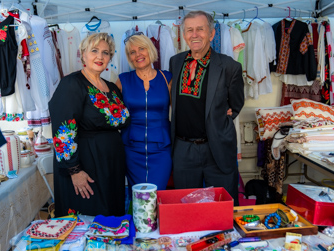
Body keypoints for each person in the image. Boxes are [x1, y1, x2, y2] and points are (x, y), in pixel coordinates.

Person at [49, 33, 130, 217]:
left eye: (106, 52)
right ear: (83, 54)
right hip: (85, 165)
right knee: (88, 220)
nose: (100, 57)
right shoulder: (72, 84)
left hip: (111, 166)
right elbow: (63, 131)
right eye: (94, 51)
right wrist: (74, 170)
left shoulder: (112, 87)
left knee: (111, 219)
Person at [169, 11, 244, 205]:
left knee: (223, 206)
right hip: (183, 149)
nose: (195, 35)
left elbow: (237, 103)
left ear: (211, 34)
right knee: (185, 206)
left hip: (216, 146)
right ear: (184, 35)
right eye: (189, 30)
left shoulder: (229, 66)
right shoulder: (175, 62)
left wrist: (227, 115)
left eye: (200, 29)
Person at [116, 33, 172, 191]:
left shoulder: (167, 78)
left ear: (150, 50)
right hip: (131, 149)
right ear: (129, 57)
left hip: (161, 149)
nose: (138, 54)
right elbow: (106, 109)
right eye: (132, 52)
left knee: (157, 194)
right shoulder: (123, 80)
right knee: (138, 197)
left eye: (142, 49)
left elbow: (183, 110)